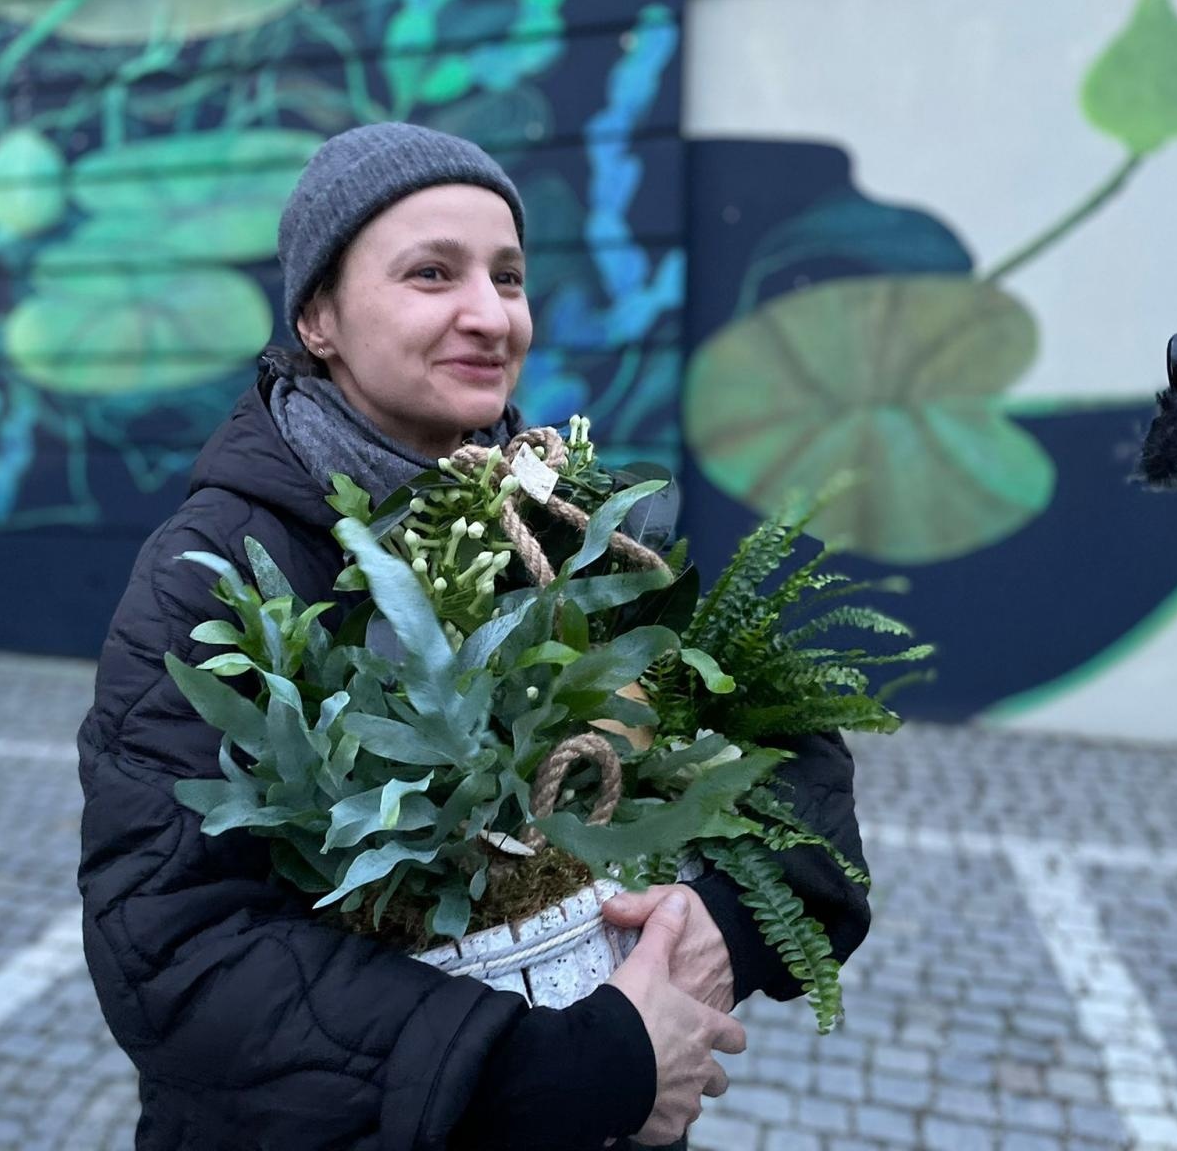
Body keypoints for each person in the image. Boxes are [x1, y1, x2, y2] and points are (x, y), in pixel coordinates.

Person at [75, 123, 871, 1150]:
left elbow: (793, 758)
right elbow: (173, 953)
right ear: (318, 315)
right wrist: (584, 1067)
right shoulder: (217, 571)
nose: (487, 315)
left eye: (507, 276)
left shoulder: (571, 523)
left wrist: (715, 925)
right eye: (430, 274)